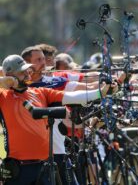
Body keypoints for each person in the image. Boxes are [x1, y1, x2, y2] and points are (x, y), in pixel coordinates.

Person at [0, 54, 112, 184]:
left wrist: (100, 92)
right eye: (21, 72)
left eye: (27, 70)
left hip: (44, 165)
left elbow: (73, 96)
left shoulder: (40, 92)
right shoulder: (3, 97)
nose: (27, 73)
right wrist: (5, 81)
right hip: (18, 169)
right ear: (10, 75)